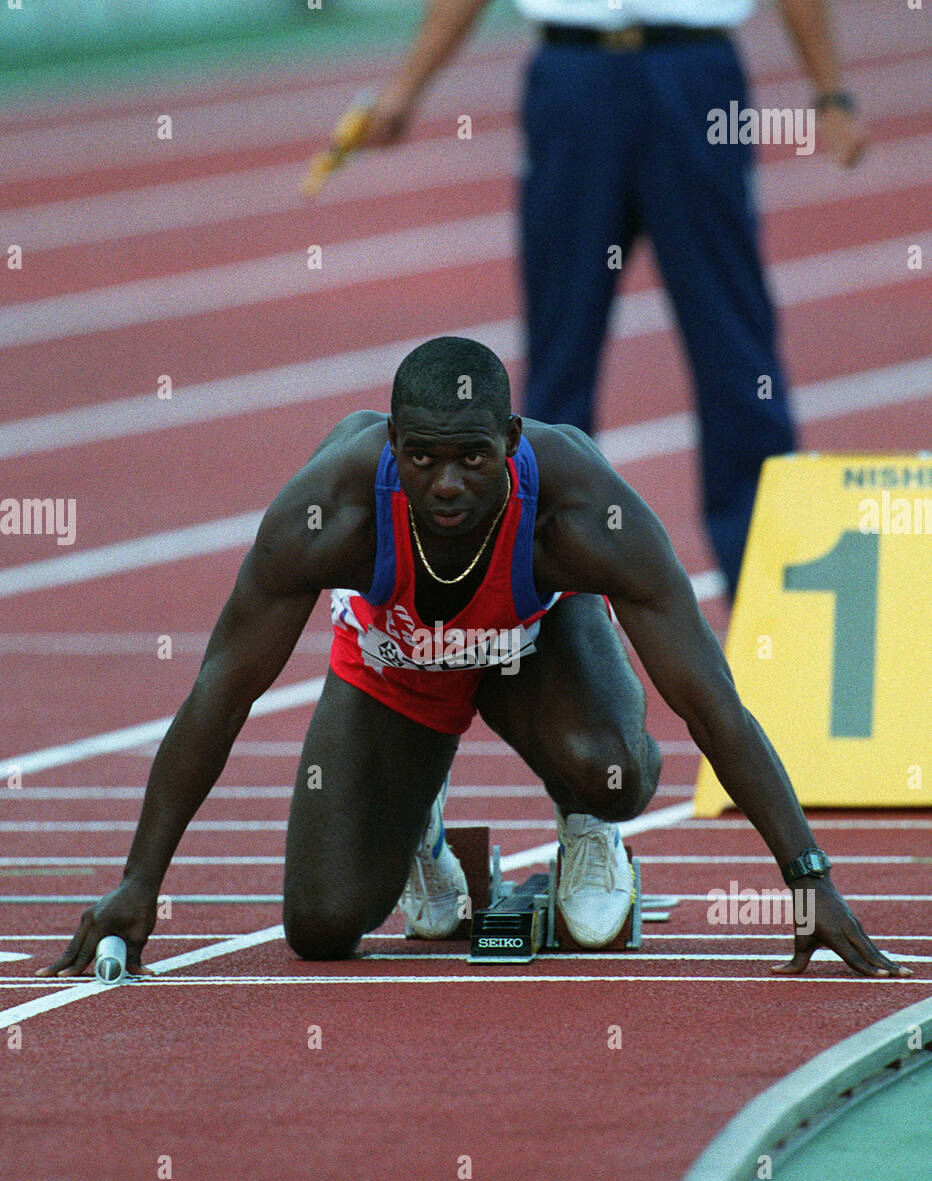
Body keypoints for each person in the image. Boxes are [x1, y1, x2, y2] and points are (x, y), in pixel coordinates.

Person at [42, 338, 905, 980]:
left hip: (532, 651)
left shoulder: (579, 509)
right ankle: (421, 819)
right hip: (399, 663)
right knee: (321, 927)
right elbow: (219, 693)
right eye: (421, 460)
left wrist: (806, 876)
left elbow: (711, 703)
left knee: (614, 774)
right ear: (391, 450)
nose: (447, 484)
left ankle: (589, 829)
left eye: (471, 459)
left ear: (512, 442)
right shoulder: (330, 512)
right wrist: (139, 882)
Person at [360, 0, 867, 596]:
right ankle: (539, 585)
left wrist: (831, 92)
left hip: (695, 75)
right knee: (559, 350)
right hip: (575, 78)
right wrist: (405, 89)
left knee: (734, 341)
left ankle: (772, 584)